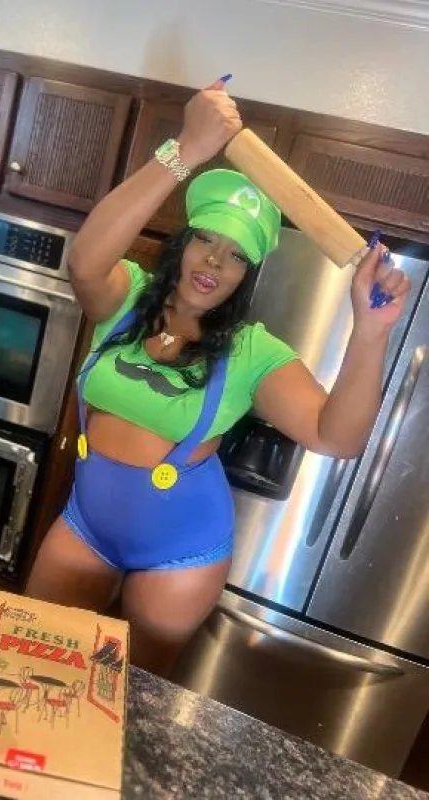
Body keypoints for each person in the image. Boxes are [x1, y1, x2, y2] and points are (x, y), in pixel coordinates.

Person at [26, 81, 411, 677]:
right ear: (181, 244)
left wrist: (372, 331)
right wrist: (185, 149)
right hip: (86, 523)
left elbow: (338, 437)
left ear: (247, 275)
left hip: (180, 553)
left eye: (235, 254)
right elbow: (83, 260)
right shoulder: (123, 299)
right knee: (28, 658)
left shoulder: (251, 352)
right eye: (205, 239)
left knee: (134, 695)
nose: (214, 261)